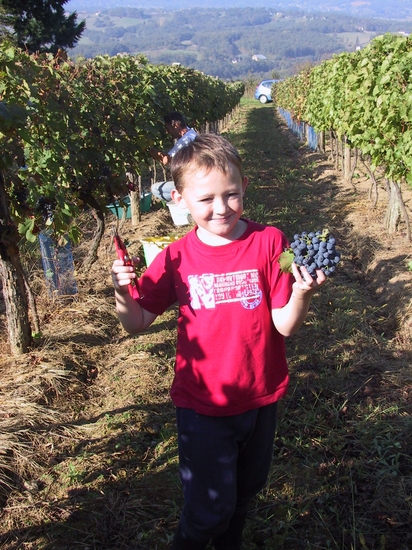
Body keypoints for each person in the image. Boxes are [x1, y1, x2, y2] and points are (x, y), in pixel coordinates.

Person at [112, 134, 327, 550]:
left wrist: (302, 293)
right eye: (206, 199)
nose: (222, 208)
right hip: (202, 405)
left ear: (244, 185)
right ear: (179, 199)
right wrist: (122, 291)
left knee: (244, 493)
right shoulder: (175, 257)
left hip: (260, 396)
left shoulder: (269, 242)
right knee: (207, 511)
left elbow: (284, 326)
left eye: (231, 194)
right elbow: (135, 322)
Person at [149, 111, 197, 203]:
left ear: (176, 126)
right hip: (196, 179)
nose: (167, 132)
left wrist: (150, 150)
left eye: (168, 128)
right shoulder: (191, 132)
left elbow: (166, 160)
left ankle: (187, 204)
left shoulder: (185, 140)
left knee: (156, 189)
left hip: (192, 184)